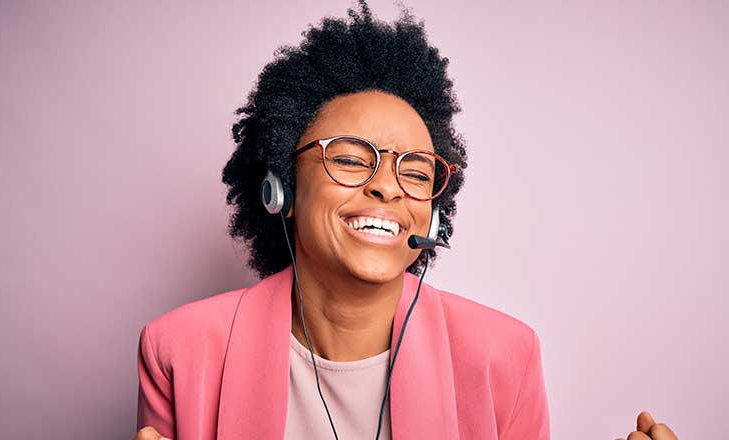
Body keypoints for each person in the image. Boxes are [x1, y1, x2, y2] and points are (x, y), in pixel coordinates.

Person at [134, 1, 678, 439]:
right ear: (283, 189)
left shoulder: (504, 357)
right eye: (348, 158)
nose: (387, 186)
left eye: (415, 171)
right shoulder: (178, 352)